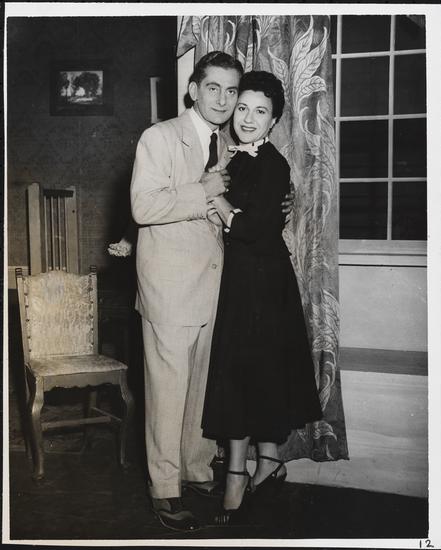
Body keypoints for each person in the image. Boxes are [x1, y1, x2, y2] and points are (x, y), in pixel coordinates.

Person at [130, 52, 294, 532]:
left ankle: (197, 471)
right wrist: (202, 189)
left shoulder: (232, 143)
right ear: (193, 90)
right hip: (169, 289)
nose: (223, 100)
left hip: (219, 288)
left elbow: (250, 208)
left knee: (202, 390)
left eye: (231, 90)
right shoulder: (160, 137)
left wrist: (281, 201)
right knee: (167, 395)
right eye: (213, 88)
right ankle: (164, 489)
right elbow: (142, 207)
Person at [201, 71, 323, 525]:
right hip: (241, 281)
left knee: (249, 375)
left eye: (260, 112)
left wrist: (219, 203)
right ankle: (265, 463)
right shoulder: (232, 157)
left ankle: (240, 474)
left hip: (264, 286)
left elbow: (252, 228)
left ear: (273, 121)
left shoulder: (274, 164)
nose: (248, 118)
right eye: (243, 108)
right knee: (248, 375)